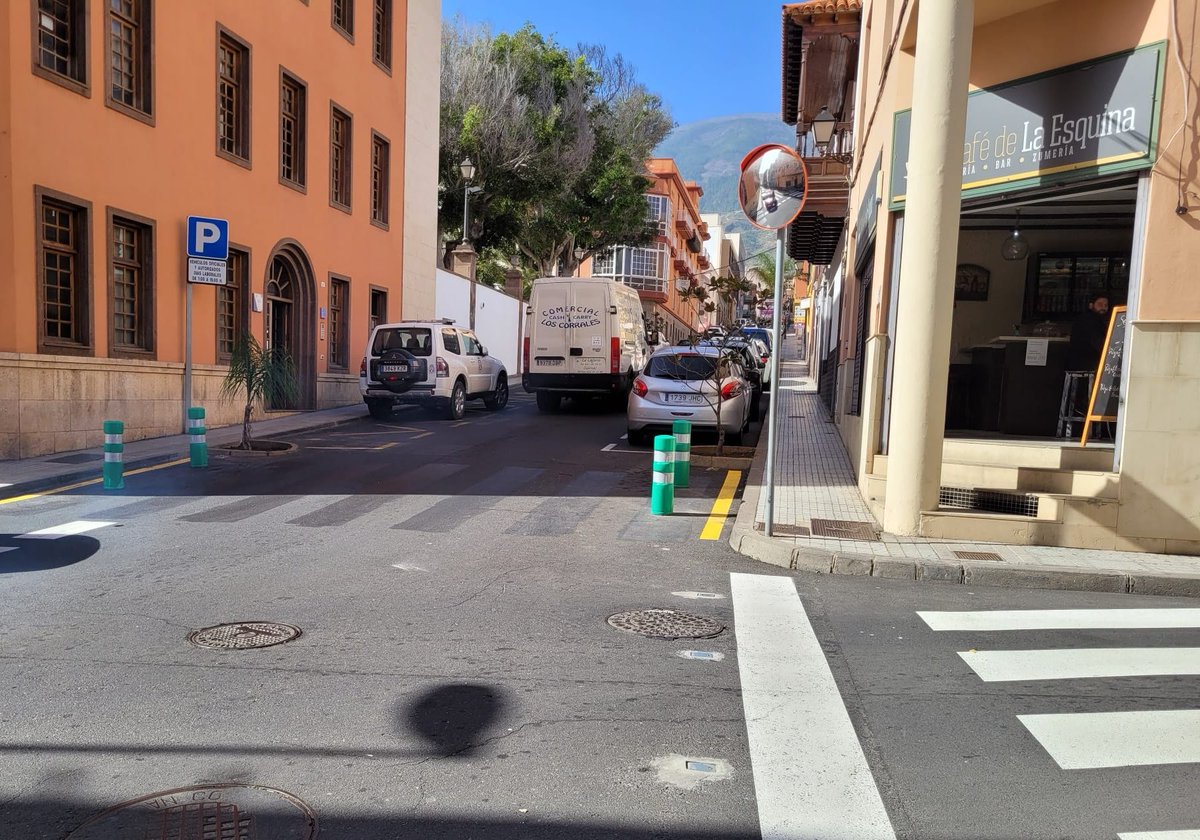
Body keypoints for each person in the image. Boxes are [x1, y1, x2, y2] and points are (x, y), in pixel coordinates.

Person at [1067, 293, 1111, 372]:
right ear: (1091, 305)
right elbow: (1097, 341)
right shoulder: (1088, 320)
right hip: (1086, 364)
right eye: (1100, 304)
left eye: (1106, 305)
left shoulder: (1100, 320)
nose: (1103, 308)